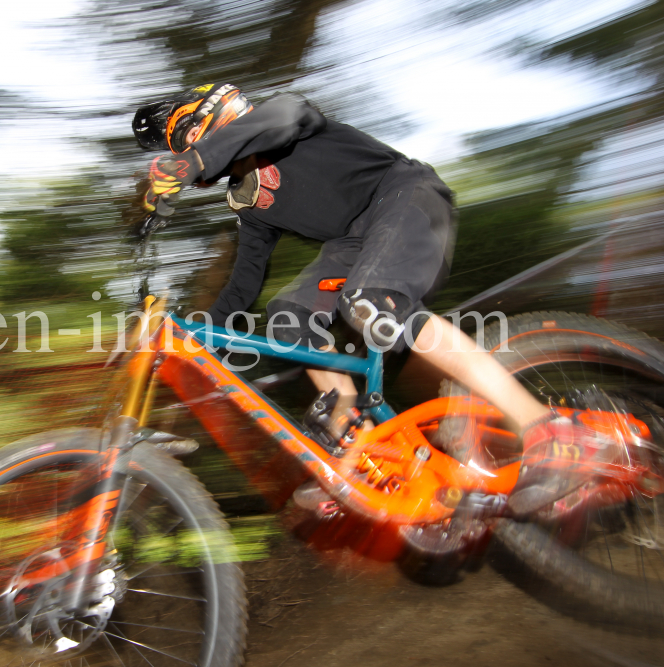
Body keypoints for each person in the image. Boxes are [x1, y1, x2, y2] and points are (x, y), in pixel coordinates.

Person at [131, 83, 619, 515]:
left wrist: (193, 162)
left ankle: (550, 430)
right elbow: (244, 284)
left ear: (218, 114)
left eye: (190, 137)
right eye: (184, 148)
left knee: (369, 303)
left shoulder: (287, 116)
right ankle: (355, 446)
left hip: (406, 196)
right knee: (288, 316)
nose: (191, 150)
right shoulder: (251, 204)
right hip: (354, 243)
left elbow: (279, 121)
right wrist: (197, 337)